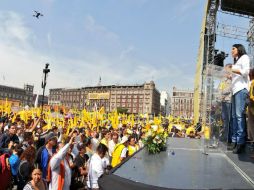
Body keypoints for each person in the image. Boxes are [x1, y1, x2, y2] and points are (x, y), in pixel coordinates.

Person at [228, 44, 250, 154]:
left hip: (241, 90)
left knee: (239, 116)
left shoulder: (245, 57)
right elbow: (238, 75)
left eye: (233, 48)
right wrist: (230, 75)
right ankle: (234, 140)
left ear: (239, 49)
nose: (231, 51)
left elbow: (246, 72)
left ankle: (241, 142)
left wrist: (232, 69)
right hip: (235, 90)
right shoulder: (236, 61)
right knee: (234, 117)